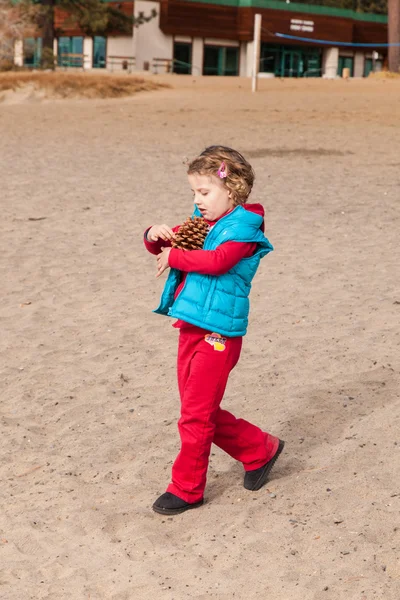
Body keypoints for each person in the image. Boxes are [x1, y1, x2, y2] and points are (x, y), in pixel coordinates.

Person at [143, 145, 284, 515]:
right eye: (193, 192)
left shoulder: (244, 227)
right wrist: (156, 237)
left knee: (194, 414)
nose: (197, 199)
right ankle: (259, 449)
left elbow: (219, 261)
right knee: (197, 409)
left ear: (232, 189)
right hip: (190, 324)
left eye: (204, 192)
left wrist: (174, 256)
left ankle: (187, 489)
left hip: (220, 332)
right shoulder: (202, 222)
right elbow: (173, 242)